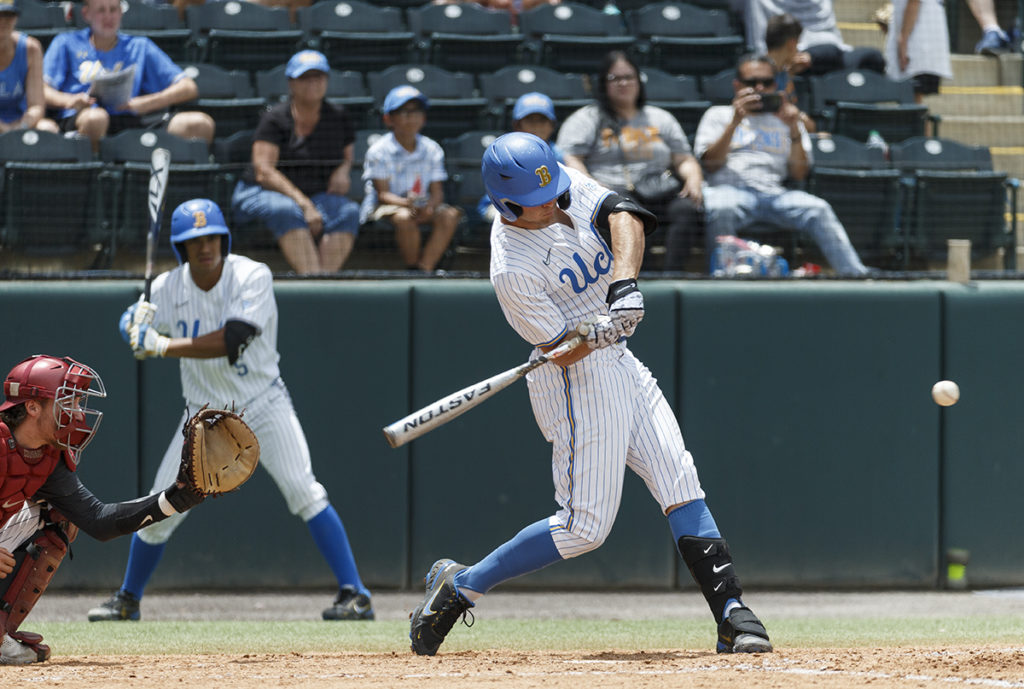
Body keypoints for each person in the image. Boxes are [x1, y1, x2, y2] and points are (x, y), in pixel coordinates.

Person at [408, 132, 773, 657]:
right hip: (573, 381)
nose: (556, 207)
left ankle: (732, 613)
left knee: (678, 477)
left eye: (556, 194)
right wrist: (597, 331)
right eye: (539, 205)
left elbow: (623, 213)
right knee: (584, 528)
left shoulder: (555, 184)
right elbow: (560, 350)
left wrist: (623, 286)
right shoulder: (511, 267)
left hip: (620, 362)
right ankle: (460, 586)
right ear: (506, 205)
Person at [87, 198, 374, 624]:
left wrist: (162, 345)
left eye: (211, 237)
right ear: (182, 248)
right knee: (162, 507)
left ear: (224, 239)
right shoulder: (166, 286)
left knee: (304, 490)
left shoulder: (251, 274)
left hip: (262, 402)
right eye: (194, 240)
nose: (205, 246)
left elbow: (233, 337)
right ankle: (127, 599)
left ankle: (356, 594)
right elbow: (137, 328)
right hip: (201, 416)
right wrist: (134, 322)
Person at [0, 354, 207, 664]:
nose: (78, 413)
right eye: (68, 402)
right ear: (32, 406)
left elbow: (97, 520)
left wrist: (174, 499)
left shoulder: (47, 457)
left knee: (59, 520)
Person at [694, 54, 870, 277]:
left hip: (775, 194)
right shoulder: (718, 115)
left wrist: (794, 129)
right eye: (751, 83)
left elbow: (799, 172)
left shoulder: (786, 118)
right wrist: (735, 122)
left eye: (766, 82)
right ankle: (722, 276)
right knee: (720, 208)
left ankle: (856, 275)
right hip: (730, 192)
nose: (759, 88)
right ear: (737, 85)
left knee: (818, 208)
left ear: (775, 85)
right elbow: (710, 164)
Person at [557, 51, 703, 273]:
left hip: (659, 189)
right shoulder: (587, 119)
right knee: (631, 211)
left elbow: (683, 157)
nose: (623, 83)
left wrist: (693, 179)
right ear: (603, 83)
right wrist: (592, 184)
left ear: (639, 80)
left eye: (629, 77)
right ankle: (643, 277)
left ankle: (673, 274)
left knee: (686, 209)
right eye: (615, 78)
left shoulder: (660, 117)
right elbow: (570, 158)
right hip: (614, 191)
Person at [231, 50, 361, 275]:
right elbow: (264, 172)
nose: (312, 83)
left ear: (327, 80)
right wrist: (305, 205)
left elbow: (348, 154)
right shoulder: (274, 118)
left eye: (318, 77)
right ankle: (313, 282)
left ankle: (323, 282)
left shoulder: (338, 116)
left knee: (348, 211)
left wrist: (343, 170)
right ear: (291, 83)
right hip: (260, 192)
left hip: (315, 194)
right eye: (304, 77)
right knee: (286, 209)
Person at [40, 0, 214, 150]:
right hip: (82, 117)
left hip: (129, 118)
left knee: (200, 124)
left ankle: (171, 185)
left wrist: (146, 103)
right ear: (86, 14)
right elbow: (42, 89)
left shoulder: (139, 45)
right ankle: (93, 181)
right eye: (101, 10)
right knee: (96, 118)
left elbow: (188, 87)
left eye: (113, 9)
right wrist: (70, 101)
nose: (109, 16)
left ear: (121, 13)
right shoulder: (66, 43)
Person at [360, 84, 461, 273]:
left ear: (423, 118)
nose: (412, 117)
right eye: (404, 112)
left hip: (422, 204)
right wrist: (408, 204)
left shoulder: (432, 148)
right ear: (388, 119)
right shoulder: (378, 150)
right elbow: (383, 194)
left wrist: (430, 207)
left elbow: (437, 192)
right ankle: (412, 268)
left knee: (450, 215)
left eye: (416, 112)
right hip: (389, 206)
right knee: (404, 217)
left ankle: (424, 270)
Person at [477, 91, 564, 225]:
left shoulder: (558, 154)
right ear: (517, 125)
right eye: (530, 120)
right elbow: (493, 200)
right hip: (512, 207)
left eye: (542, 120)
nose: (537, 126)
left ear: (552, 125)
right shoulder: (505, 152)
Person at [747, 0, 886, 76]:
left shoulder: (822, 3)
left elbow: (833, 45)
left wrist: (810, 56)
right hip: (791, 60)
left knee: (873, 57)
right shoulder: (762, 2)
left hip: (830, 55)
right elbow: (762, 46)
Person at [885, 0, 953, 104]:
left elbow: (914, 2)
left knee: (911, 103)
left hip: (917, 44)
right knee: (913, 102)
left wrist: (903, 40)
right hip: (926, 41)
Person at [763, 14, 817, 133]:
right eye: (797, 44)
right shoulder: (761, 74)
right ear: (791, 44)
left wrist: (791, 72)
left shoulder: (784, 72)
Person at [0, 2, 46, 133]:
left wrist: (20, 127)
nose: (3, 21)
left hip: (19, 121)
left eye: (8, 15)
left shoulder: (30, 49)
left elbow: (36, 106)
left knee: (47, 128)